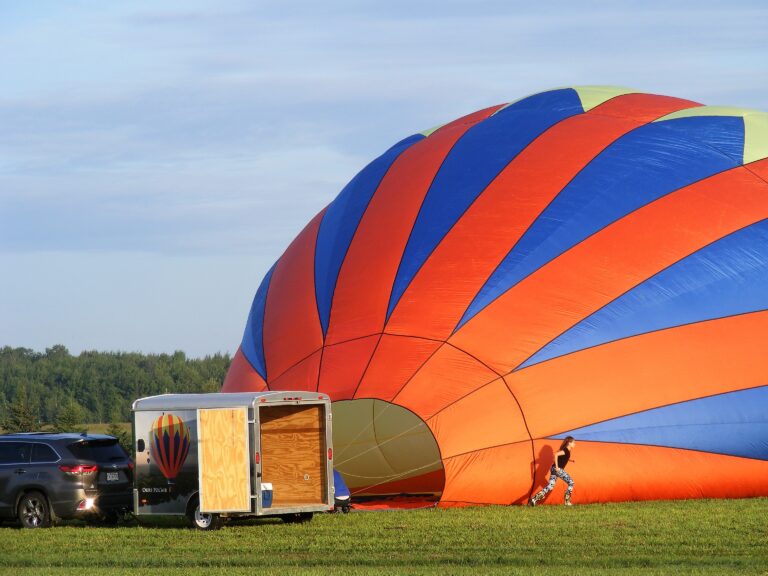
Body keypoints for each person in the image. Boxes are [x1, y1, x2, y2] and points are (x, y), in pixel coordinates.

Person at [529, 436, 576, 506]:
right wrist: (557, 467)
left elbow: (563, 457)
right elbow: (556, 454)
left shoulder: (567, 451)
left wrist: (570, 460)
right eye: (573, 443)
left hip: (553, 469)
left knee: (550, 486)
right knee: (571, 483)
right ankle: (567, 501)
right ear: (569, 443)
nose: (575, 444)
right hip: (557, 469)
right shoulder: (565, 450)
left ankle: (534, 499)